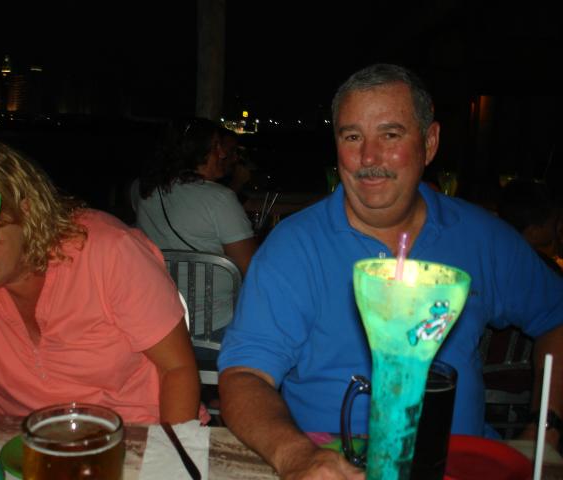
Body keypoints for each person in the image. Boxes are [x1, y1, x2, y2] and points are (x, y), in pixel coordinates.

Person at [218, 63, 563, 479]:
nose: (368, 157)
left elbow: (557, 317)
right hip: (330, 463)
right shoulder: (294, 246)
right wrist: (295, 455)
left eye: (390, 135)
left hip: (461, 461)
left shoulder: (483, 237)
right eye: (352, 137)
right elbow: (243, 375)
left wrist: (545, 430)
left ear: (429, 143)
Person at [0, 138, 201, 473]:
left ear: (26, 211)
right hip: (14, 445)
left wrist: (170, 462)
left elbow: (177, 369)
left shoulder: (110, 251)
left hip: (134, 442)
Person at [131, 117, 257, 338]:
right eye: (216, 146)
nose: (223, 154)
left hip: (162, 322)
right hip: (216, 324)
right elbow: (252, 269)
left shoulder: (140, 189)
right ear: (195, 151)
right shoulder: (219, 199)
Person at [497, 178, 562, 275]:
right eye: (555, 222)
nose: (560, 225)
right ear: (533, 232)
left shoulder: (498, 254)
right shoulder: (545, 270)